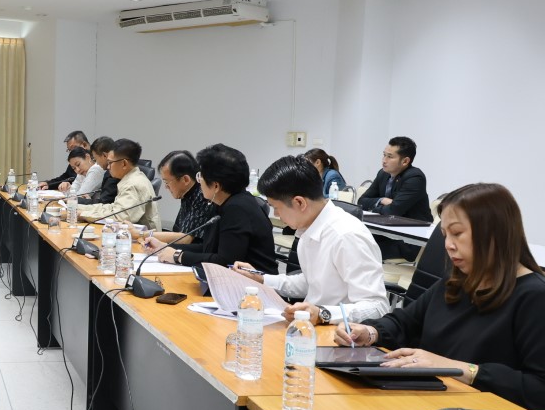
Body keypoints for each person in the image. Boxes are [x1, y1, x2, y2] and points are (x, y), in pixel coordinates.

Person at [337, 183, 545, 410]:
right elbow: (404, 322)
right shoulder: (456, 282)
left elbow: (538, 389)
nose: (448, 245)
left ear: (494, 233)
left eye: (457, 233)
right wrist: (370, 333)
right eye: (445, 235)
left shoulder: (534, 297)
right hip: (430, 405)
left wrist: (457, 368)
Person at [232, 155, 388, 326]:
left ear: (299, 203)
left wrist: (322, 314)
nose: (276, 215)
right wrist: (262, 279)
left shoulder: (346, 236)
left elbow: (377, 306)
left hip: (339, 332)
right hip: (310, 327)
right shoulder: (309, 228)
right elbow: (311, 283)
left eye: (276, 208)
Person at [150, 144, 277, 273]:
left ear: (216, 186)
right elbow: (208, 248)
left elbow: (224, 262)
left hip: (255, 283)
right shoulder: (222, 202)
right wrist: (166, 247)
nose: (199, 181)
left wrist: (178, 256)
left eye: (201, 176)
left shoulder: (237, 209)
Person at [76, 138, 158, 228]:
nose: (108, 167)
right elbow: (112, 208)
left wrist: (82, 214)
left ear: (124, 164)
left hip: (142, 235)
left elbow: (119, 217)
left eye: (110, 162)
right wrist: (77, 208)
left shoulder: (134, 184)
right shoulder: (130, 178)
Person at [145, 150, 216, 246]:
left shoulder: (202, 196)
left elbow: (185, 238)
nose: (166, 187)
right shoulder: (187, 193)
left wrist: (142, 234)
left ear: (185, 179)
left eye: (167, 182)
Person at [358, 136, 431, 220]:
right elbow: (361, 201)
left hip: (415, 226)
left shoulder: (415, 178)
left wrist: (373, 208)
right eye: (384, 155)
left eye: (390, 157)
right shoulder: (383, 173)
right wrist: (382, 200)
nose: (384, 160)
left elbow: (393, 211)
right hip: (387, 223)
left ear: (405, 161)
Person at [76, 136, 117, 205]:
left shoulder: (114, 173)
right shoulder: (108, 172)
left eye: (95, 159)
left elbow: (105, 203)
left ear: (104, 155)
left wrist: (80, 200)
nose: (97, 163)